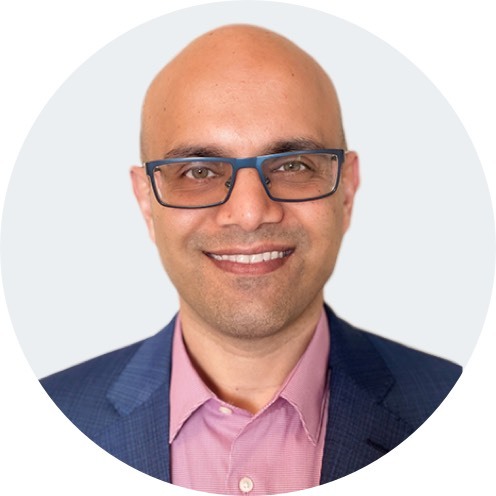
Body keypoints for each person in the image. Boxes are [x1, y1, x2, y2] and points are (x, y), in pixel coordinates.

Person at [41, 24, 461, 494]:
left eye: (293, 165)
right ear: (145, 200)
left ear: (346, 191)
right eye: (198, 171)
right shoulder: (39, 427)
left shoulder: (464, 412)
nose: (249, 213)